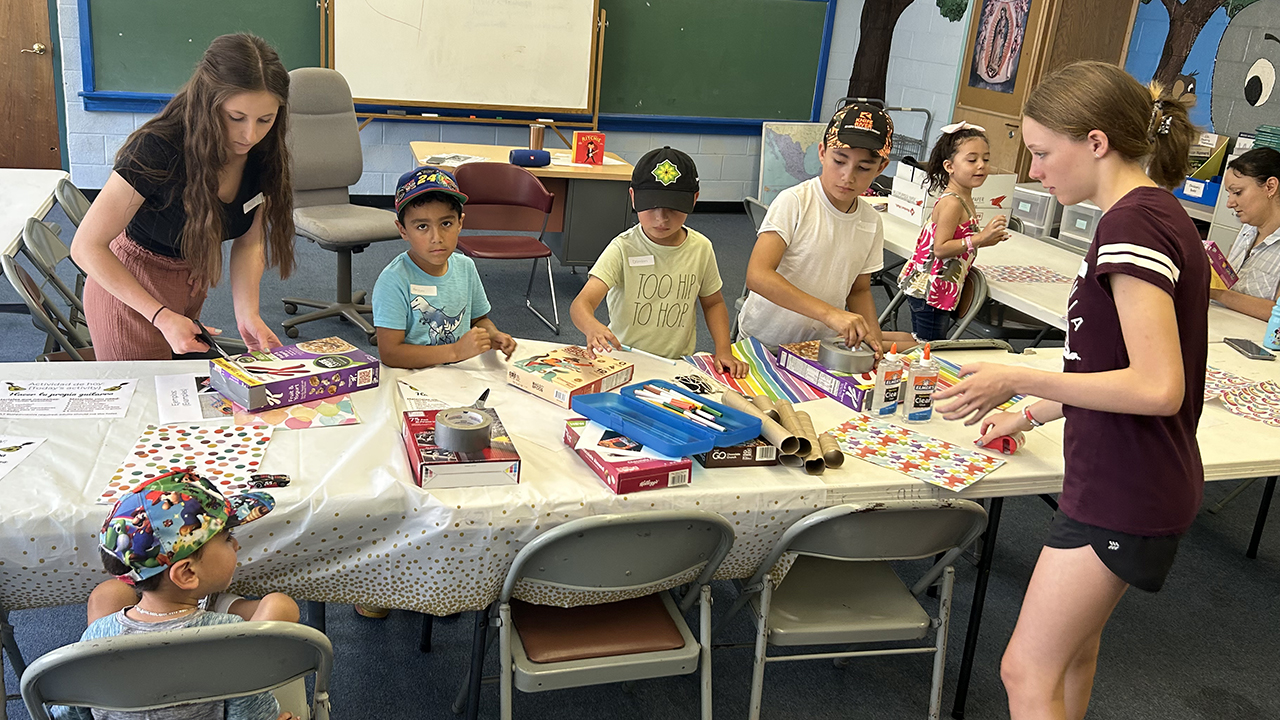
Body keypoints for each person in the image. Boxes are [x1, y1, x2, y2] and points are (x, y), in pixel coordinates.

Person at [934, 61, 1205, 720]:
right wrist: (1028, 411)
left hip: (1125, 485)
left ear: (1096, 141)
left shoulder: (1133, 224)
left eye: (1042, 152)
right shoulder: (1153, 212)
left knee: (1024, 670)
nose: (1035, 171)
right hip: (1128, 476)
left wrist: (1014, 374)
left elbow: (1157, 386)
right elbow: (1105, 366)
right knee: (1072, 658)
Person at [73, 34, 296, 361]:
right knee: (144, 404)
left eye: (266, 119)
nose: (250, 134)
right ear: (208, 101)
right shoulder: (158, 149)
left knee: (179, 397)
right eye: (236, 118)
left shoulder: (261, 154)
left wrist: (248, 313)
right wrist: (160, 315)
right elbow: (86, 246)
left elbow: (249, 240)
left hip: (187, 282)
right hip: (129, 291)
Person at [55, 470, 300, 720]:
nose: (236, 545)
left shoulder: (96, 635)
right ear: (186, 574)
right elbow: (249, 714)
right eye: (228, 538)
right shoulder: (232, 638)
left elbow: (69, 710)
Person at [570, 147, 748, 377]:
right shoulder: (622, 248)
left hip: (676, 364)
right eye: (651, 206)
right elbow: (581, 304)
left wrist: (723, 350)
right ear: (633, 197)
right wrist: (591, 327)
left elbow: (713, 302)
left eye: (673, 208)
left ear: (694, 199)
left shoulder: (701, 248)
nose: (661, 218)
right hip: (623, 359)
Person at [737, 103, 895, 352]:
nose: (848, 176)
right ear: (822, 153)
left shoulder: (871, 221)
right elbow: (758, 275)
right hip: (765, 342)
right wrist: (830, 314)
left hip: (817, 346)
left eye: (863, 168)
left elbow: (860, 290)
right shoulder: (796, 202)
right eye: (839, 161)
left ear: (881, 168)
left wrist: (872, 339)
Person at [372, 166, 517, 369]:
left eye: (446, 224)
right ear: (403, 230)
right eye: (422, 226)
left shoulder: (466, 267)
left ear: (460, 223)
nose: (437, 238)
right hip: (412, 379)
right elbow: (390, 353)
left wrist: (492, 335)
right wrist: (455, 351)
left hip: (460, 373)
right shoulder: (394, 279)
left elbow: (479, 320)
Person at [897, 122, 1009, 340]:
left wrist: (986, 240)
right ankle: (870, 343)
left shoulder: (965, 195)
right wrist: (980, 237)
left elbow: (960, 241)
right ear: (949, 166)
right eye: (972, 160)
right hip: (930, 289)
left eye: (985, 159)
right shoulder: (953, 203)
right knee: (928, 347)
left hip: (939, 288)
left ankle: (870, 339)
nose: (981, 166)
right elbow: (940, 248)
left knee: (919, 340)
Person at [1212, 147, 1280, 320]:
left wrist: (1218, 294)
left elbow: (1276, 313)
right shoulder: (1248, 229)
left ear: (1270, 187)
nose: (1230, 203)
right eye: (1229, 194)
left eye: (1237, 192)